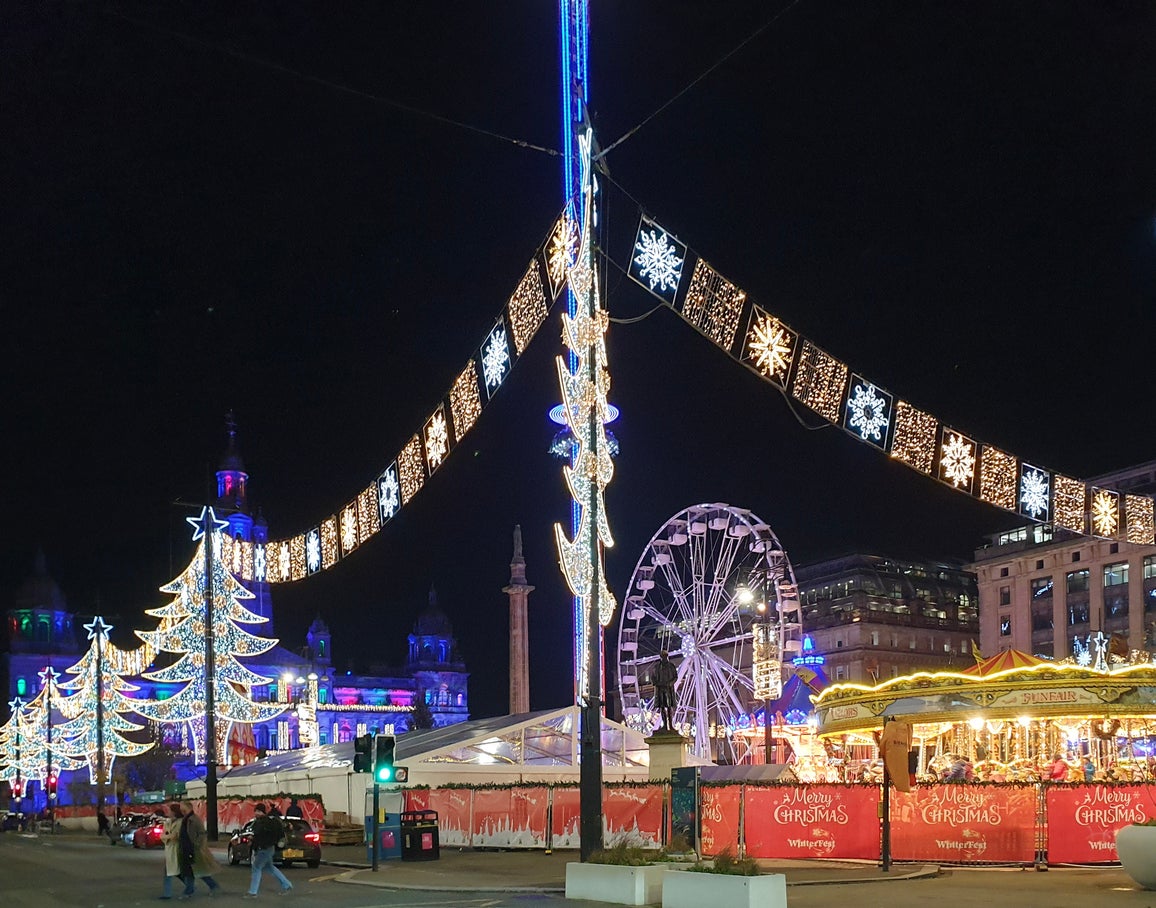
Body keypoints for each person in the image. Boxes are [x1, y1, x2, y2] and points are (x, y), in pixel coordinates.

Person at [243, 803, 293, 899]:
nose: (256, 813)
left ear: (262, 812)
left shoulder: (261, 823)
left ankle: (253, 892)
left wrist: (252, 838)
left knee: (256, 868)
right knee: (270, 868)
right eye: (256, 811)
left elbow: (258, 834)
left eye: (258, 811)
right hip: (269, 848)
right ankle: (287, 885)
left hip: (264, 848)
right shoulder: (270, 821)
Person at [177, 801, 221, 899]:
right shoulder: (187, 819)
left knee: (198, 871)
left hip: (193, 849)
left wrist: (197, 844)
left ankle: (210, 886)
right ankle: (190, 890)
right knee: (191, 871)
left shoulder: (194, 819)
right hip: (187, 849)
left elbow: (202, 834)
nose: (180, 809)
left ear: (187, 807)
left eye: (182, 807)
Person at [650, 650, 679, 733]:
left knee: (669, 707)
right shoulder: (657, 667)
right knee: (662, 707)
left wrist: (670, 683)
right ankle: (665, 726)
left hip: (668, 688)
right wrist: (656, 683)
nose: (664, 658)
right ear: (661, 657)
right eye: (663, 656)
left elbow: (675, 677)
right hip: (660, 688)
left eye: (665, 656)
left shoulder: (671, 666)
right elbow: (653, 677)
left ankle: (670, 725)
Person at [160, 804, 183, 900]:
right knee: (170, 871)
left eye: (169, 810)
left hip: (176, 849)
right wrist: (168, 837)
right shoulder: (167, 822)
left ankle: (167, 893)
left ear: (174, 812)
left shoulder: (180, 822)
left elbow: (175, 836)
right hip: (169, 849)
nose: (167, 812)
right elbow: (163, 836)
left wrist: (168, 836)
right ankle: (167, 893)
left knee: (174, 870)